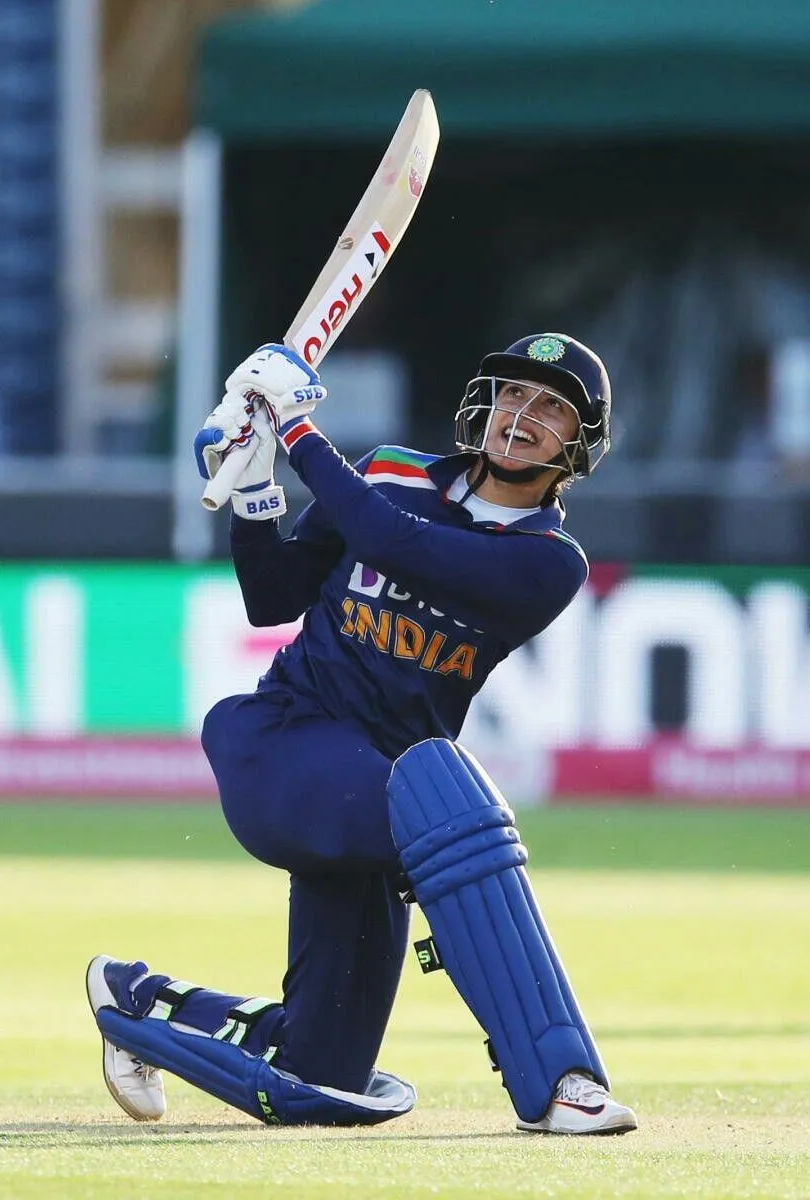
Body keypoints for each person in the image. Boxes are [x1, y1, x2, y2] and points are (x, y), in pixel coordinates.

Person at [86, 332, 637, 1136]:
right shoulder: (390, 472)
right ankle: (563, 1082)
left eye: (551, 409)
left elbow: (394, 545)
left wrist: (297, 431)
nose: (523, 417)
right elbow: (273, 596)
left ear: (579, 446)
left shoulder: (550, 561)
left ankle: (140, 1005)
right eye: (514, 394)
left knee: (325, 1076)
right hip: (285, 745)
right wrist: (254, 490)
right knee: (448, 789)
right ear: (484, 402)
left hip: (381, 803)